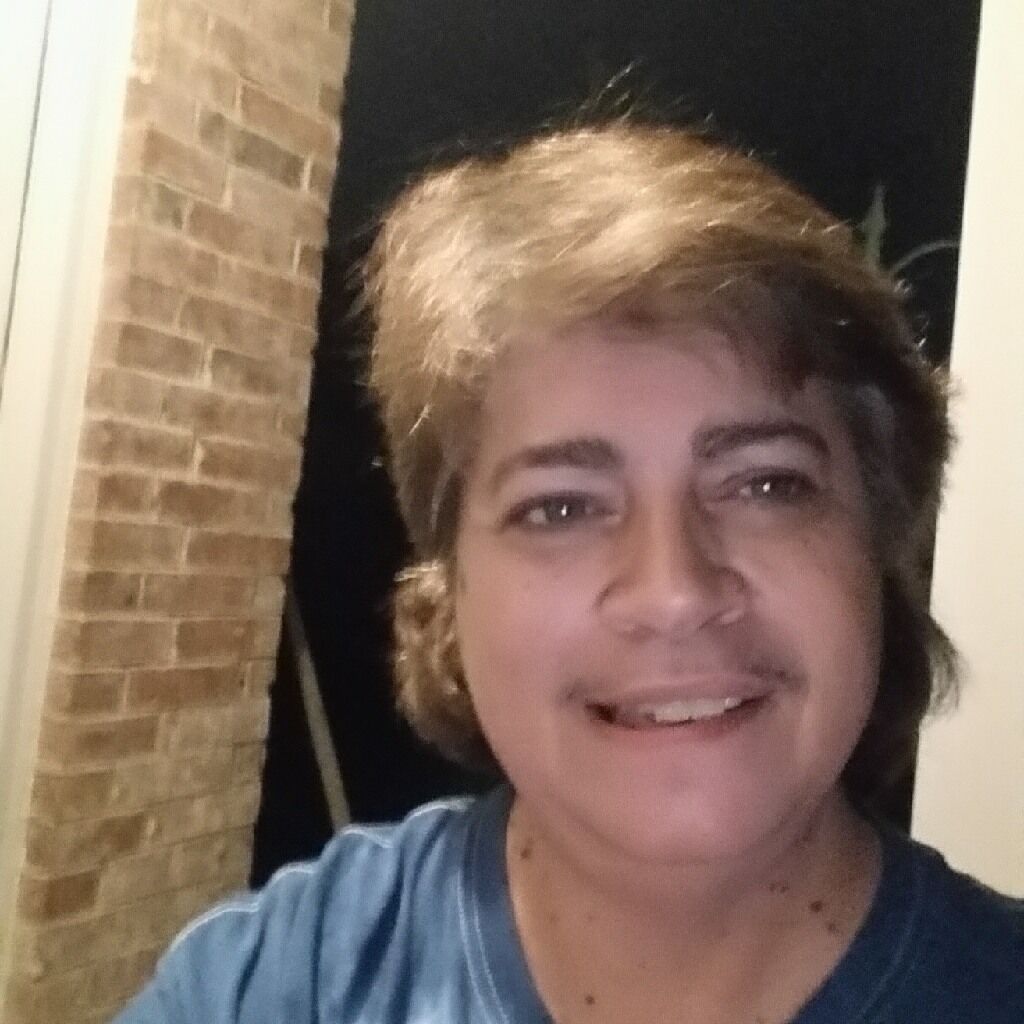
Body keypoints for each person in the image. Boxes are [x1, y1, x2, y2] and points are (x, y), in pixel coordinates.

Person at [113, 121, 1023, 1024]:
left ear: (879, 546)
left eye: (766, 484)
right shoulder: (275, 987)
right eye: (560, 507)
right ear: (450, 593)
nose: (673, 591)